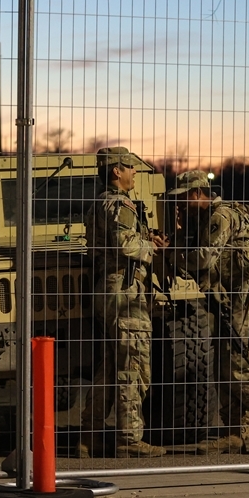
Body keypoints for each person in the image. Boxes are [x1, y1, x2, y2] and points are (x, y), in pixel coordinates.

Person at [168, 170, 249, 454]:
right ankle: (234, 432)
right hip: (230, 299)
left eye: (184, 197)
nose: (180, 203)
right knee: (225, 367)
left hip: (244, 301)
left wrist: (171, 254)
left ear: (197, 193)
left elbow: (203, 258)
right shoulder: (206, 217)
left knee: (237, 367)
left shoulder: (220, 217)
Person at [79, 147, 169, 458]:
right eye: (130, 167)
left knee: (110, 366)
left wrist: (145, 238)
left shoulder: (100, 202)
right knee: (133, 365)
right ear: (116, 171)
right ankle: (129, 438)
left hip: (108, 288)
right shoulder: (121, 204)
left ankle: (89, 435)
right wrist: (152, 246)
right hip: (125, 291)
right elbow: (125, 244)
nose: (134, 172)